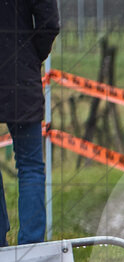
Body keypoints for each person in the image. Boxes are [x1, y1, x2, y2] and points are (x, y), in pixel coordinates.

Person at [0, 0, 61, 247]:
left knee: (31, 165)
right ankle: (31, 246)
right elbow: (50, 24)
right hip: (20, 77)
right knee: (31, 166)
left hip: (20, 70)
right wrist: (30, 55)